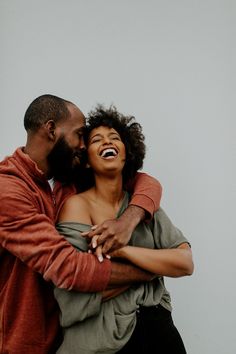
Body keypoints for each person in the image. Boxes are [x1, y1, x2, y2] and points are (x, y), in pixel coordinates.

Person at [0, 94, 163, 354]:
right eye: (78, 134)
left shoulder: (68, 177)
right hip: (25, 345)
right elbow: (67, 266)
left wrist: (128, 220)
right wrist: (151, 271)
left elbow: (145, 182)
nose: (83, 144)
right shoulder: (8, 191)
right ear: (51, 129)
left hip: (71, 340)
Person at [55, 105, 194, 354]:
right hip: (102, 341)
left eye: (115, 138)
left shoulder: (142, 207)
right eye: (96, 140)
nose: (107, 142)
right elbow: (73, 287)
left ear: (126, 153)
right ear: (86, 161)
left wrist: (123, 251)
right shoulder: (75, 206)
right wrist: (153, 267)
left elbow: (184, 263)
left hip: (160, 330)